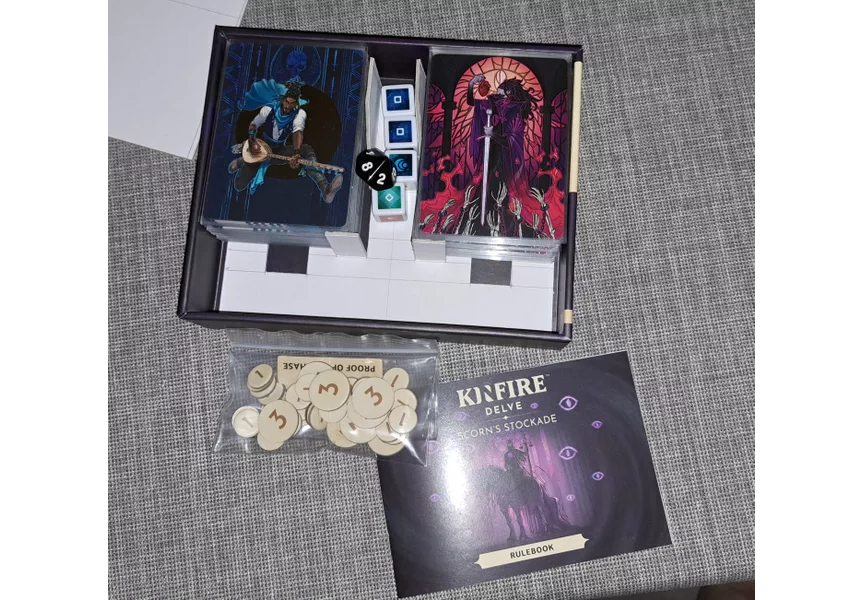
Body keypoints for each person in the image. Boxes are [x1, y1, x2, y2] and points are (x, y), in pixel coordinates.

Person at [229, 79, 343, 203]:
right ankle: (242, 161)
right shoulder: (269, 108)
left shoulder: (299, 113)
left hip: (279, 150)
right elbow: (254, 125)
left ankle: (325, 188)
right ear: (282, 100)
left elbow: (297, 132)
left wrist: (296, 152)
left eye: (292, 103)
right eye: (286, 102)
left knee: (306, 149)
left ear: (296, 103)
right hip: (260, 151)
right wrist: (252, 140)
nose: (288, 107)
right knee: (239, 185)